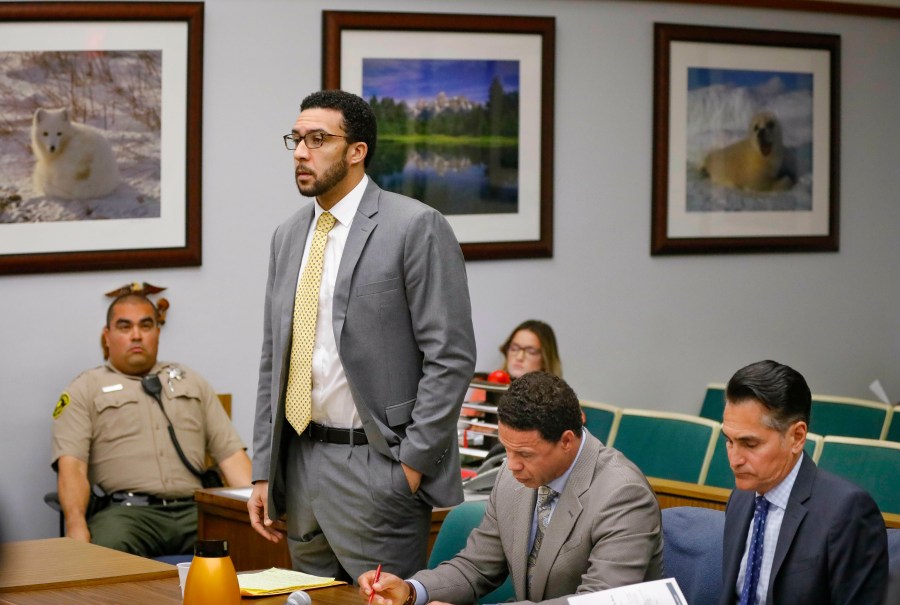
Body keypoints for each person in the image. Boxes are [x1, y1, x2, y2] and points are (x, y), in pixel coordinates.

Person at [248, 90, 476, 582]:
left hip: (379, 468)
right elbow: (275, 360)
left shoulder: (414, 226)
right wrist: (264, 470)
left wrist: (412, 465)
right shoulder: (288, 236)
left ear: (357, 151)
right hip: (301, 464)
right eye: (297, 139)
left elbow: (451, 356)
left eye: (318, 139)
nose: (301, 152)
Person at [360, 371, 663, 605]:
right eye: (507, 450)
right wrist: (412, 591)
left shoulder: (623, 495)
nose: (512, 464)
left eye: (525, 454)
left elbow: (597, 601)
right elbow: (477, 567)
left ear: (567, 441)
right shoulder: (512, 475)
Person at [51, 293, 252, 557]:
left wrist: (256, 511)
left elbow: (232, 457)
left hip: (194, 510)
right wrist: (75, 526)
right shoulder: (84, 389)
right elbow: (72, 467)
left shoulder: (190, 382)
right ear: (107, 335)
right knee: (104, 555)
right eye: (125, 327)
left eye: (145, 326)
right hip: (128, 516)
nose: (136, 335)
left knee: (252, 545)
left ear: (157, 332)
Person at [719, 360, 888, 605]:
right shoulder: (741, 498)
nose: (734, 459)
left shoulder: (847, 512)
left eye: (750, 444)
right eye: (729, 441)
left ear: (797, 437)